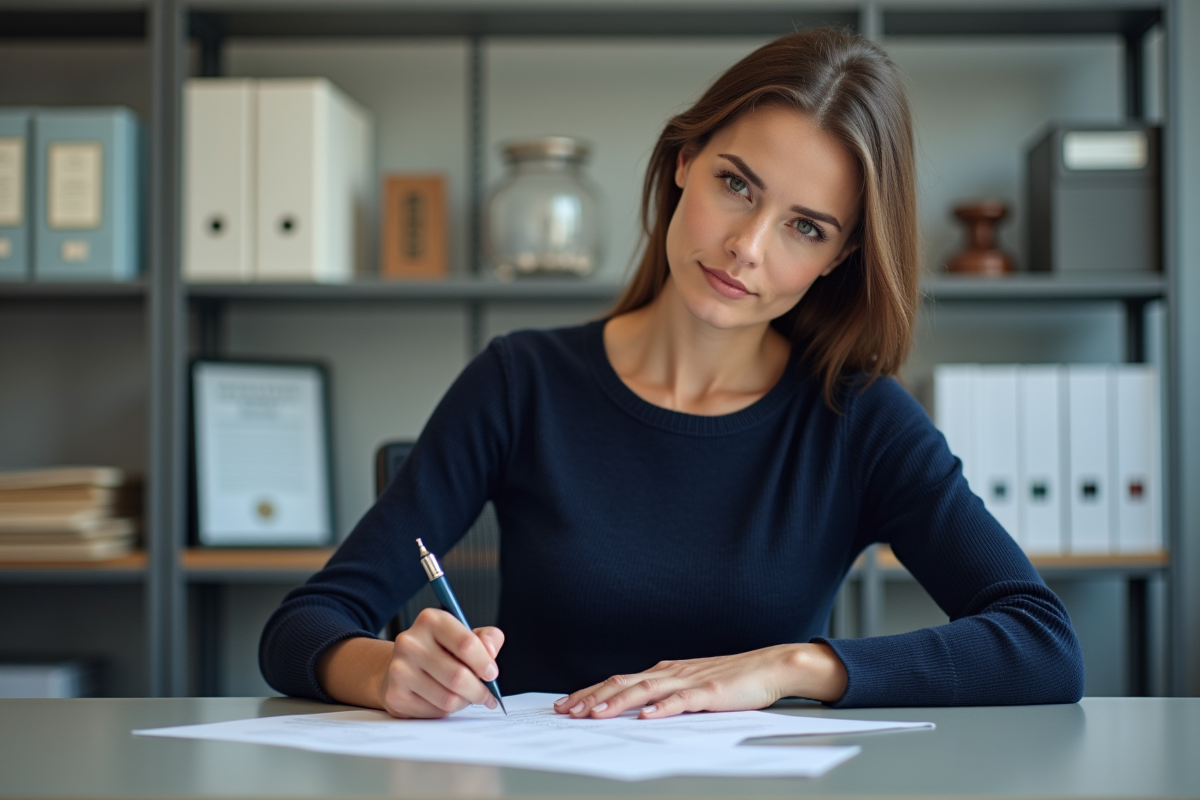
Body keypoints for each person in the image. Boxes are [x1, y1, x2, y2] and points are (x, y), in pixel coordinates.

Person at [260, 28, 1085, 719]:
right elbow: (305, 625)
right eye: (737, 184)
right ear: (685, 159)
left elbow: (1043, 644)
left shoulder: (857, 416)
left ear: (843, 257)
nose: (748, 247)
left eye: (804, 226)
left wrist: (787, 668)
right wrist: (386, 671)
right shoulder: (522, 381)